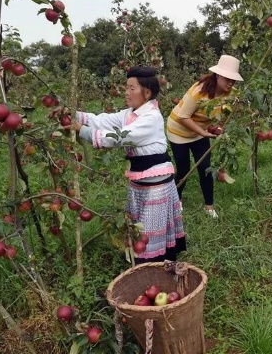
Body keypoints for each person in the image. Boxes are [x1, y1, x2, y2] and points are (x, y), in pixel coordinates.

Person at [71, 66, 186, 263]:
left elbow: (120, 137)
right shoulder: (130, 114)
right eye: (126, 87)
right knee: (139, 224)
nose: (126, 92)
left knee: (150, 228)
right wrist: (74, 114)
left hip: (155, 182)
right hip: (139, 178)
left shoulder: (151, 117)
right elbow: (103, 120)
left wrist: (82, 130)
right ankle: (147, 264)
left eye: (131, 88)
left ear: (146, 92)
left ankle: (153, 266)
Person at [166, 55, 243, 219]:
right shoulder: (199, 91)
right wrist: (203, 133)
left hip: (200, 130)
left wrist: (219, 127)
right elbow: (183, 116)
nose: (230, 83)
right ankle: (176, 199)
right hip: (178, 130)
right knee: (184, 168)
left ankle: (209, 207)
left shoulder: (231, 93)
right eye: (227, 78)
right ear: (217, 75)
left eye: (233, 80)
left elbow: (225, 112)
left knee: (205, 168)